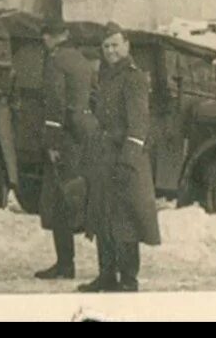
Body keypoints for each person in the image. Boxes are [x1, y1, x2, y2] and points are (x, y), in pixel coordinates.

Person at [79, 23, 161, 293]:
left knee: (125, 222)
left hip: (125, 161)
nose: (111, 51)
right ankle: (106, 275)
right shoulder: (106, 76)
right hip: (104, 158)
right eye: (106, 47)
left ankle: (128, 279)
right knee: (103, 217)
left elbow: (138, 125)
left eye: (115, 45)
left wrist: (127, 162)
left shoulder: (133, 78)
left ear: (127, 45)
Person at [34, 17, 95, 280]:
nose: (44, 42)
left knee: (59, 200)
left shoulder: (55, 60)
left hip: (65, 139)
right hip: (82, 136)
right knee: (77, 194)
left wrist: (51, 142)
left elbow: (55, 104)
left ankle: (65, 264)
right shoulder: (80, 60)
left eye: (45, 37)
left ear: (49, 37)